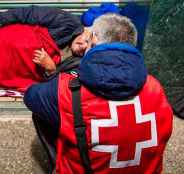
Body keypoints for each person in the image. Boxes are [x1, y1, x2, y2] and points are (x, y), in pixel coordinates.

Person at [24, 13, 173, 174]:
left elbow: (31, 96)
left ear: (94, 40)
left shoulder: (67, 90)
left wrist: (53, 73)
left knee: (45, 113)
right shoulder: (155, 87)